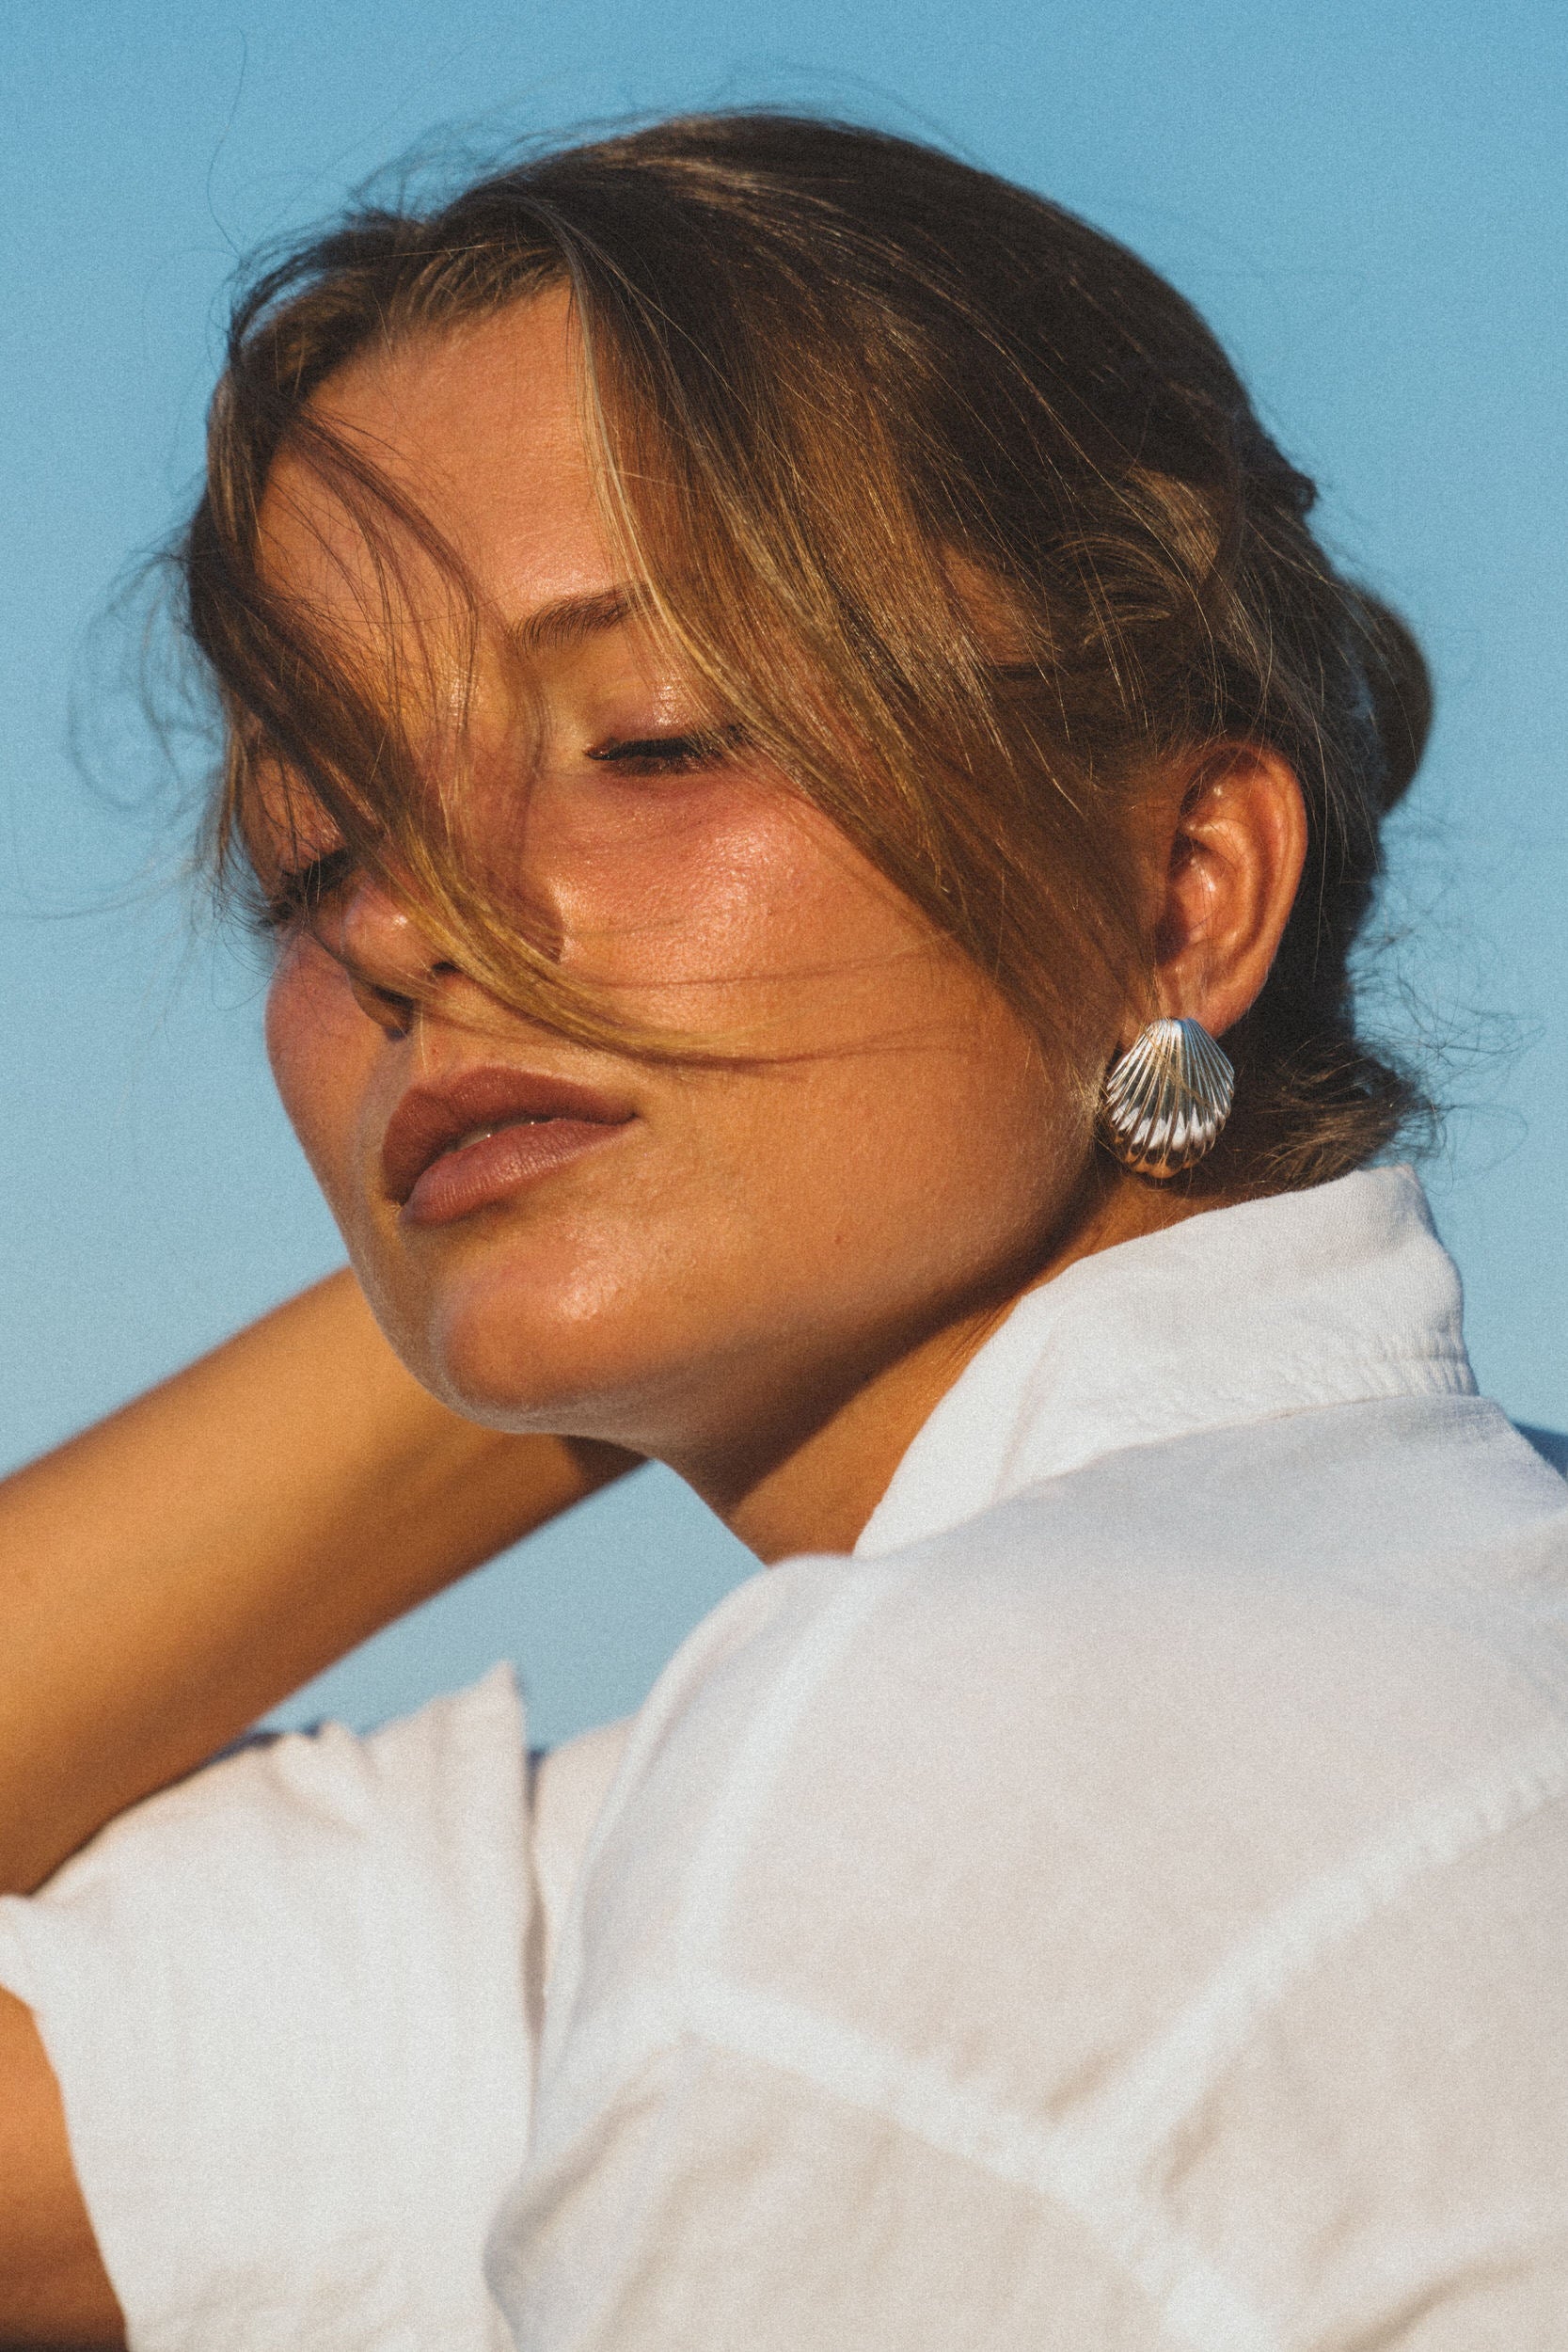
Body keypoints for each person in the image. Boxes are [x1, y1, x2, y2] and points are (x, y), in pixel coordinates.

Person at [1, 109, 1564, 2351]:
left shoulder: (943, 1776)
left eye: (652, 739)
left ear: (1185, 882)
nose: (415, 928)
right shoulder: (1379, 1633)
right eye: (316, 844)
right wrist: (601, 1210)